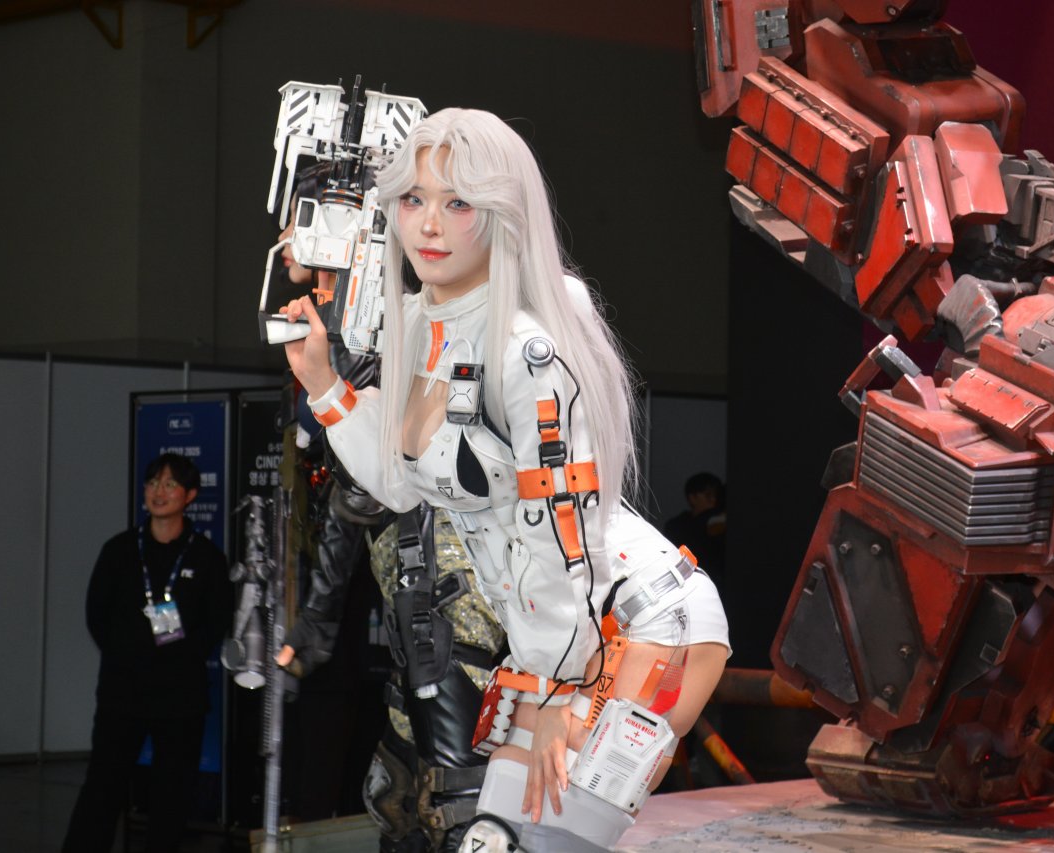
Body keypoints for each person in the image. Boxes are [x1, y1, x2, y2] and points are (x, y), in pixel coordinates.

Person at [281, 108, 731, 852]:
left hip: (637, 622)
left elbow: (561, 528)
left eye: (458, 202)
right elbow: (400, 487)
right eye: (413, 199)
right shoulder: (418, 326)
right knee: (494, 840)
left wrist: (555, 689)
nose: (429, 224)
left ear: (502, 214)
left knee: (543, 841)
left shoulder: (527, 349)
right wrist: (326, 387)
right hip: (554, 644)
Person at [271, 164, 504, 851]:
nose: (286, 241)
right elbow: (350, 487)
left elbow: (368, 487)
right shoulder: (333, 324)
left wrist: (319, 616)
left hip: (447, 585)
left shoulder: (384, 323)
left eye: (301, 220)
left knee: (454, 798)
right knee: (402, 795)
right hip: (410, 588)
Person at [62, 452, 231, 853]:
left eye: (170, 484)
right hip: (123, 692)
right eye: (153, 483)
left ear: (190, 495)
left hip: (180, 697)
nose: (159, 492)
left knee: (172, 794)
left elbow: (216, 621)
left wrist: (180, 660)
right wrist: (126, 656)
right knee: (102, 787)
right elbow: (96, 614)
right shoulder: (119, 550)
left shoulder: (206, 556)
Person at [661, 471, 726, 592]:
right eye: (708, 495)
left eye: (716, 495)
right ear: (693, 497)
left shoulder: (719, 521)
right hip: (685, 585)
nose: (713, 499)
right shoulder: (677, 526)